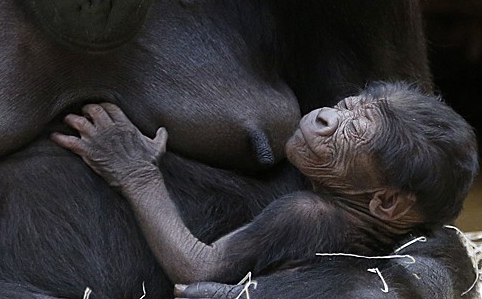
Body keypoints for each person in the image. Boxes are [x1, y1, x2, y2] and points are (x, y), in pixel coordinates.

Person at [51, 82, 479, 284]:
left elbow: (196, 268)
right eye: (352, 105)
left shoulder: (307, 215)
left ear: (386, 203)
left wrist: (136, 173)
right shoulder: (423, 236)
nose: (329, 115)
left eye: (355, 130)